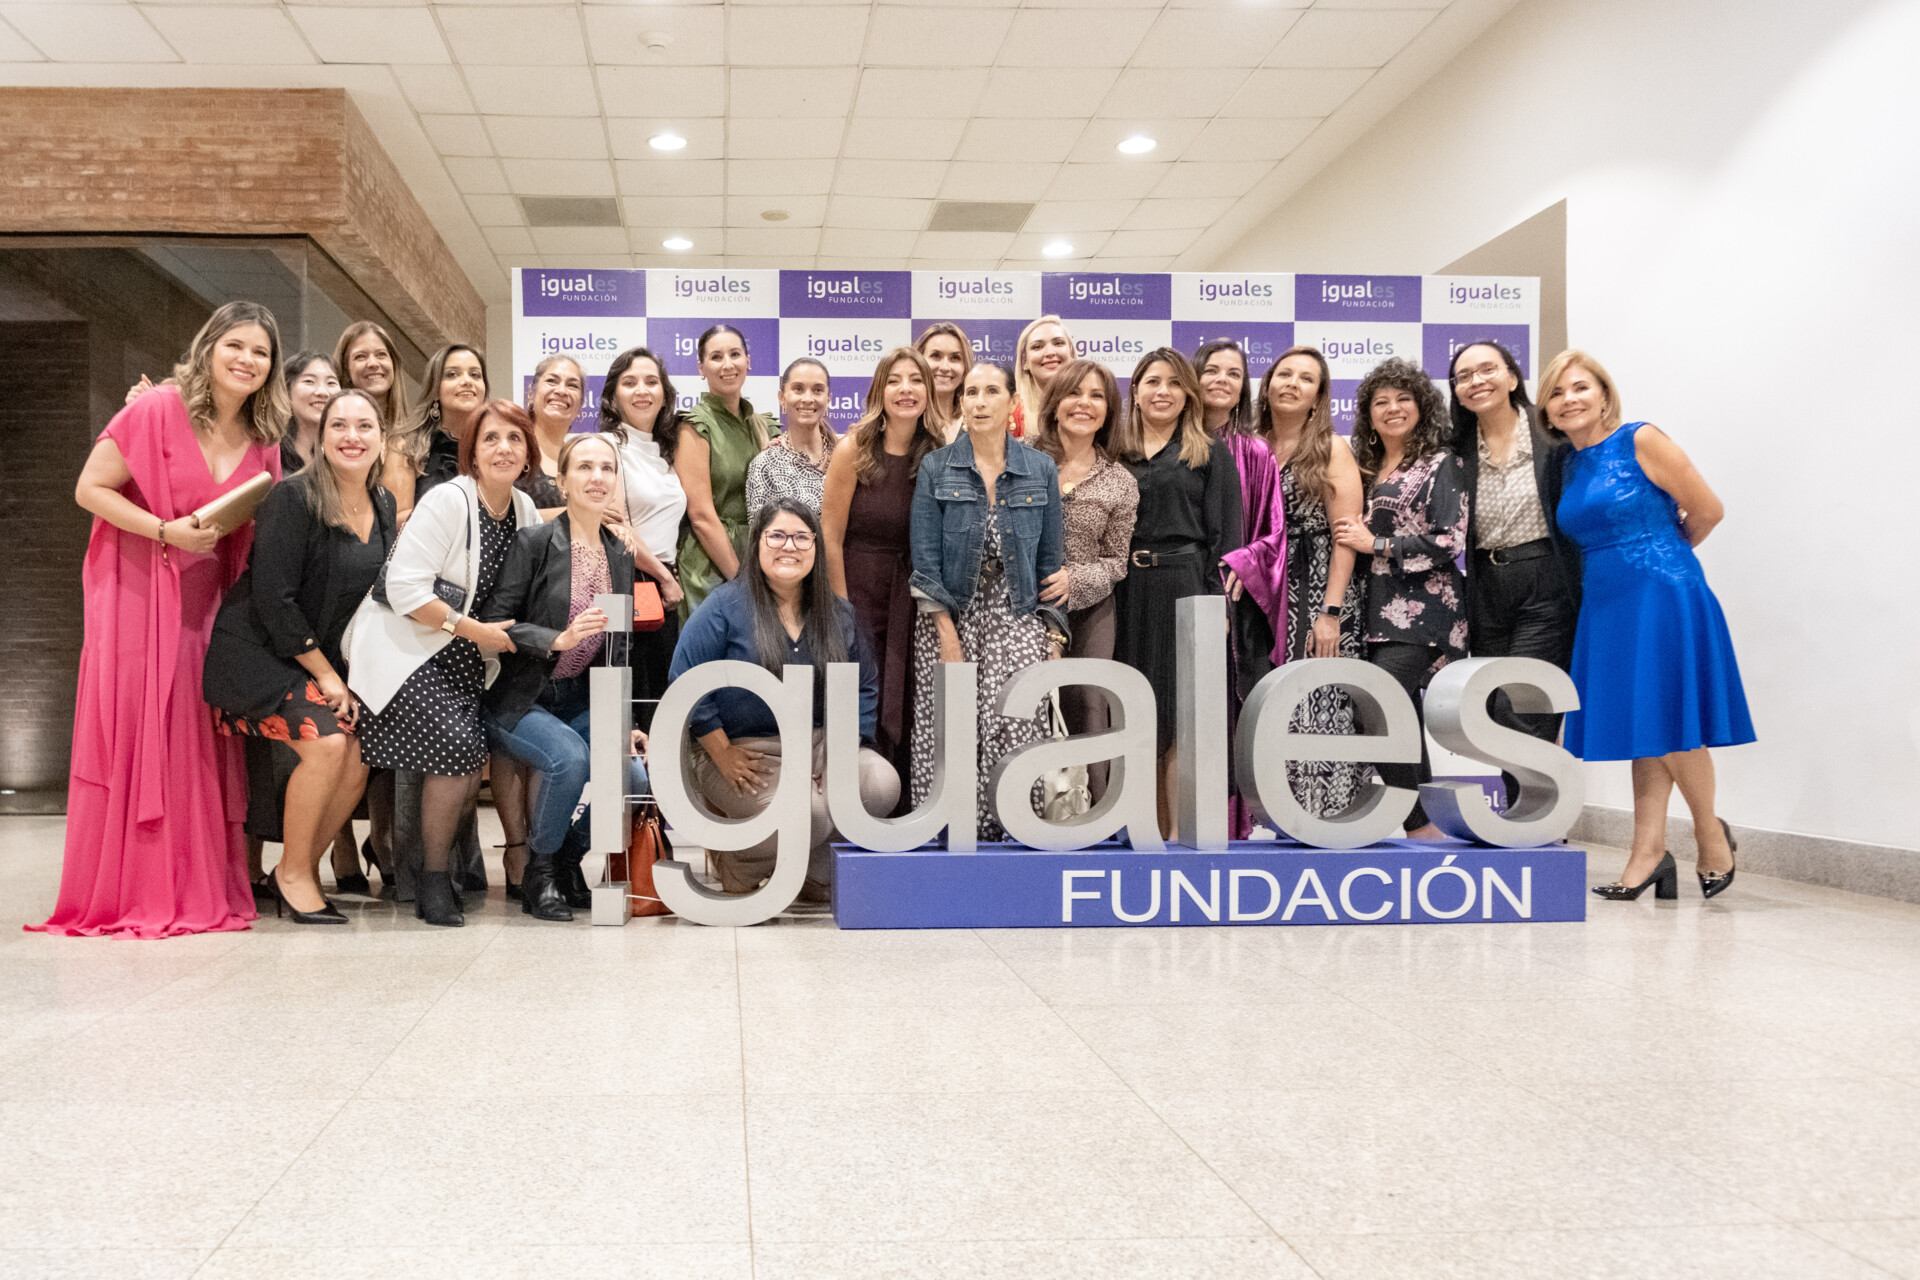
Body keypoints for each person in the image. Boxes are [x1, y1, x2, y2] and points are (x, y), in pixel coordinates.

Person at [31, 301, 287, 938]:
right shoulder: (157, 409)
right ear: (209, 347)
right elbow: (90, 489)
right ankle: (135, 888)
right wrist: (164, 532)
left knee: (197, 737)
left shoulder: (264, 438)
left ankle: (195, 883)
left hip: (211, 603)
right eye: (235, 346)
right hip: (139, 592)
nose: (246, 360)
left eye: (260, 352)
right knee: (144, 728)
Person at [1542, 350, 1752, 901]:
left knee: (1671, 722)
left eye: (1580, 387)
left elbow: (1707, 510)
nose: (1569, 399)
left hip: (1661, 594)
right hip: (1606, 602)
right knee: (1646, 724)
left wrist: (1661, 553)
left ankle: (1710, 835)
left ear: (1604, 394)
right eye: (1557, 393)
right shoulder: (1568, 464)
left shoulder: (1640, 439)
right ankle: (1647, 852)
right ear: (1547, 410)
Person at [204, 389, 395, 923]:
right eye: (339, 426)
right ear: (321, 438)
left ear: (382, 439)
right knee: (329, 744)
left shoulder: (382, 503)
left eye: (365, 426)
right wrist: (329, 678)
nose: (352, 436)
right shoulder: (293, 498)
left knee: (359, 755)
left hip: (315, 661)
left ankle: (297, 868)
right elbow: (274, 599)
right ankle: (293, 875)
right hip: (256, 655)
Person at [349, 399, 538, 926]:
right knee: (460, 745)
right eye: (491, 438)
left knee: (476, 745)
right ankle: (432, 877)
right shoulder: (447, 501)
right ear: (471, 453)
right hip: (406, 648)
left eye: (515, 439)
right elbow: (404, 589)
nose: (503, 448)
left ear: (528, 454)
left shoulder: (523, 509)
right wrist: (474, 630)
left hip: (467, 658)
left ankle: (436, 868)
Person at [668, 499, 899, 899]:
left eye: (801, 537)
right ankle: (739, 859)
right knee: (807, 812)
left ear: (816, 548)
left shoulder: (838, 614)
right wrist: (722, 752)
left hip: (820, 744)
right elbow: (684, 677)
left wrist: (841, 751)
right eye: (776, 536)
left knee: (880, 785)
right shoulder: (725, 606)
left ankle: (811, 870)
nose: (789, 546)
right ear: (757, 543)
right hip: (745, 753)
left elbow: (864, 685)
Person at [481, 433, 652, 923]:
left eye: (606, 468)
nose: (597, 477)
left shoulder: (620, 553)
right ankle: (540, 873)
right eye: (584, 467)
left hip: (581, 697)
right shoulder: (534, 542)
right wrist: (557, 639)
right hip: (523, 698)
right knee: (569, 759)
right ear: (563, 481)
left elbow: (620, 649)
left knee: (636, 778)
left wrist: (626, 722)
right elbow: (495, 623)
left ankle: (567, 858)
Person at [908, 362, 1066, 839]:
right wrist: (947, 636)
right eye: (971, 392)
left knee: (1015, 729)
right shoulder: (936, 467)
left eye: (991, 391)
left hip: (1016, 616)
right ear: (960, 403)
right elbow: (925, 561)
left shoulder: (1040, 468)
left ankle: (1013, 836)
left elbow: (1051, 563)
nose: (979, 402)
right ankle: (950, 838)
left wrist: (1054, 636)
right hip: (950, 616)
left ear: (1012, 401)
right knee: (950, 733)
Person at [1332, 357, 1468, 841]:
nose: (1392, 408)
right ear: (1368, 414)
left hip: (1425, 612)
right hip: (1373, 613)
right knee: (1399, 712)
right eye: (1381, 402)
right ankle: (1425, 827)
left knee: (1375, 703)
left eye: (1403, 399)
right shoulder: (1364, 468)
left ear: (1422, 406)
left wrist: (1378, 544)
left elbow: (1449, 539)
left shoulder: (1441, 463)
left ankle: (1419, 824)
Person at [1227, 347, 1366, 818]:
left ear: (1318, 395)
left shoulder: (1330, 448)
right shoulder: (1249, 445)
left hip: (1316, 589)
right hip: (1263, 592)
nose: (1292, 383)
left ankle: (1325, 818)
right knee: (1266, 705)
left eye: (1306, 378)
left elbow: (1346, 536)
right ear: (1266, 385)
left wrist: (1331, 613)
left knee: (1318, 700)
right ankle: (1274, 817)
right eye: (1284, 374)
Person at [1109, 348, 1242, 839]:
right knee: (1136, 713)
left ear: (1188, 394)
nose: (1162, 391)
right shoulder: (1114, 451)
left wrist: (1218, 605)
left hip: (1186, 588)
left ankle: (1179, 840)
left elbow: (1227, 538)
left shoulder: (1208, 451)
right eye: (1152, 381)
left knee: (1183, 714)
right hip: (1124, 592)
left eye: (1173, 383)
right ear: (1136, 391)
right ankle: (1145, 835)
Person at [1448, 340, 1581, 813]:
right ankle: (1525, 816)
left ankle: (1535, 817)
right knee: (1493, 707)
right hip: (1485, 586)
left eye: (1487, 369)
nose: (1476, 381)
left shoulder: (1552, 434)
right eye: (1464, 376)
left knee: (1523, 703)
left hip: (1545, 580)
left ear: (1511, 376)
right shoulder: (1455, 450)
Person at [821, 347, 944, 798]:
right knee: (862, 693)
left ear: (929, 392)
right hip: (859, 589)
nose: (905, 389)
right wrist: (842, 609)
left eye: (916, 380)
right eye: (895, 380)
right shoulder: (853, 449)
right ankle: (855, 802)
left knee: (911, 694)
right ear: (879, 391)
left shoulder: (940, 455)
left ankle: (907, 803)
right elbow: (829, 536)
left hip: (915, 594)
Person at [1028, 359, 1137, 803]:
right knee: (1027, 702)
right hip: (1022, 604)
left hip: (1091, 608)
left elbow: (1116, 561)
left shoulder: (1120, 481)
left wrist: (1074, 580)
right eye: (1074, 393)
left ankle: (1094, 815)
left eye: (1096, 396)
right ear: (1055, 404)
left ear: (1108, 411)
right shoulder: (1021, 459)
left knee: (1090, 703)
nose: (1084, 404)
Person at [598, 346, 690, 728]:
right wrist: (665, 577)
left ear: (665, 394)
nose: (642, 390)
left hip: (661, 584)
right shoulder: (608, 446)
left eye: (652, 381)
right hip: (627, 581)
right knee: (630, 710)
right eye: (630, 382)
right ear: (613, 395)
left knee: (662, 708)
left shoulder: (666, 450)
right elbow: (615, 527)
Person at [675, 324, 772, 615]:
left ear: (748, 361)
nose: (727, 364)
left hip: (761, 557)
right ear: (701, 368)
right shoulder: (694, 426)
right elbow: (701, 517)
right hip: (710, 567)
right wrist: (742, 582)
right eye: (716, 357)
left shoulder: (764, 426)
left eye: (735, 354)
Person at [388, 343, 490, 522]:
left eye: (475, 375)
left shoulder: (496, 447)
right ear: (435, 390)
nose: (467, 381)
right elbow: (394, 520)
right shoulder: (406, 446)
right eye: (452, 374)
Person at [746, 357, 837, 517]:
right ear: (782, 398)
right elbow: (758, 530)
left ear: (828, 399)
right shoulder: (765, 466)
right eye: (798, 389)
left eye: (817, 390)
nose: (808, 399)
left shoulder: (844, 457)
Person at [522, 353, 585, 516]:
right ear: (531, 393)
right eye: (552, 381)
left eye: (572, 385)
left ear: (580, 405)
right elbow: (499, 517)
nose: (562, 391)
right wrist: (577, 514)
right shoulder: (513, 450)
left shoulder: (583, 460)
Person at [336, 320, 409, 453]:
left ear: (393, 363)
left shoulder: (417, 439)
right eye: (360, 357)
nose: (373, 363)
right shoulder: (334, 437)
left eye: (381, 354)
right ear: (346, 370)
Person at [1012, 315, 1075, 438]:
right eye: (1037, 346)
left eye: (1058, 343)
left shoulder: (1091, 409)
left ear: (1071, 353)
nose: (1050, 352)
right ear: (1024, 361)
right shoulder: (1010, 418)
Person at [279, 351, 340, 474]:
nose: (322, 392)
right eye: (309, 381)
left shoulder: (343, 453)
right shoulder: (269, 449)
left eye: (331, 383)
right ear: (287, 390)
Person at [915, 322, 973, 438]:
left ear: (965, 368)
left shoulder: (978, 421)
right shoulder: (907, 421)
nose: (945, 367)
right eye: (935, 356)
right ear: (919, 362)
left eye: (955, 358)